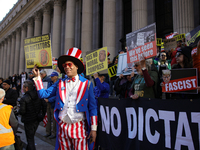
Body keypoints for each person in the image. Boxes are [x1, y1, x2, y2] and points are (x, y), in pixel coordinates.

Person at [32, 47, 97, 150]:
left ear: (76, 66)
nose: (67, 67)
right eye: (64, 65)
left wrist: (94, 129)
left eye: (69, 64)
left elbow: (93, 108)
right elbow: (43, 94)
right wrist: (38, 77)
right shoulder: (59, 82)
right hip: (63, 127)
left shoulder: (87, 84)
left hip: (80, 127)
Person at [18, 80, 42, 150]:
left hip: (28, 120)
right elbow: (44, 106)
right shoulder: (38, 96)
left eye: (23, 87)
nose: (22, 89)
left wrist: (18, 111)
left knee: (30, 139)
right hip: (36, 120)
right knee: (31, 137)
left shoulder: (24, 98)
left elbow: (22, 111)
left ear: (26, 88)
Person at [44, 72, 59, 139]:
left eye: (53, 76)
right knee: (48, 118)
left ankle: (54, 133)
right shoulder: (50, 83)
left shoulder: (58, 84)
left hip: (54, 103)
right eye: (51, 76)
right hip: (48, 103)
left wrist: (49, 100)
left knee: (54, 119)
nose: (51, 78)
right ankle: (48, 132)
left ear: (56, 77)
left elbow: (57, 95)